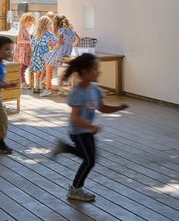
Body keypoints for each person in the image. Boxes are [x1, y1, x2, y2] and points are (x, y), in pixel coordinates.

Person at [50, 53, 129, 202]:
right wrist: (90, 126)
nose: (98, 72)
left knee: (89, 158)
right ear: (85, 72)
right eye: (95, 69)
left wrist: (118, 108)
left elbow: (102, 107)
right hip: (78, 131)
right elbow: (75, 118)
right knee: (89, 160)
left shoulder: (95, 88)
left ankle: (64, 148)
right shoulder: (77, 92)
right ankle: (75, 189)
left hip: (87, 130)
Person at [43, 14, 80, 96]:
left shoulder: (61, 30)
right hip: (67, 52)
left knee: (48, 67)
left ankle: (48, 88)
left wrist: (53, 48)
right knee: (56, 66)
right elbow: (78, 39)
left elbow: (59, 43)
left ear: (56, 23)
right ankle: (61, 88)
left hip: (59, 52)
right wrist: (71, 46)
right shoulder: (72, 30)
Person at [28, 16, 56, 95]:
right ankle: (40, 86)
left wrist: (33, 55)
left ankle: (36, 87)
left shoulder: (35, 33)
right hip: (44, 55)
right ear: (46, 25)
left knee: (38, 71)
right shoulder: (49, 34)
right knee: (43, 71)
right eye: (49, 24)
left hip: (36, 55)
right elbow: (56, 42)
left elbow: (32, 45)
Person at [13, 12, 35, 89]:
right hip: (22, 52)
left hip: (26, 51)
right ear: (25, 21)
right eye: (30, 23)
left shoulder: (25, 30)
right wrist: (29, 41)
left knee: (24, 67)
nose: (31, 25)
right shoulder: (22, 30)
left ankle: (22, 82)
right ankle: (22, 83)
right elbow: (19, 40)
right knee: (22, 68)